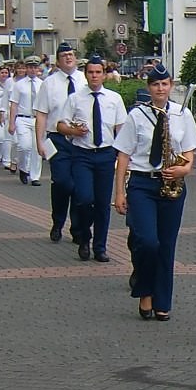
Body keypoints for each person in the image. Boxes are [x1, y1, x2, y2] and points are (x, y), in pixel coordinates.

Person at [113, 65, 196, 321]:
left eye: (164, 84)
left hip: (172, 182)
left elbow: (189, 150)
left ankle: (162, 301)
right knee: (147, 242)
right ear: (149, 87)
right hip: (142, 183)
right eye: (155, 84)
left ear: (170, 86)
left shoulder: (182, 114)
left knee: (166, 245)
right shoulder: (137, 115)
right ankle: (145, 291)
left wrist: (185, 169)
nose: (160, 89)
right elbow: (123, 155)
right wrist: (119, 193)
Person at [60, 55, 127, 263]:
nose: (94, 76)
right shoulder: (75, 98)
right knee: (84, 198)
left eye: (98, 72)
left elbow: (121, 129)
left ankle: (100, 247)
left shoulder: (114, 99)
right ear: (86, 74)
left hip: (106, 154)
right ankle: (84, 236)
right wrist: (73, 131)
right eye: (90, 72)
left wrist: (124, 157)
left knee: (102, 203)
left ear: (104, 75)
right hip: (82, 154)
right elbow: (60, 125)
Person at [34, 44, 86, 243]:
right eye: (64, 55)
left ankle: (77, 228)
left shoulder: (84, 80)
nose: (68, 58)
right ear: (57, 61)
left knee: (79, 186)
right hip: (57, 139)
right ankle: (58, 222)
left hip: (80, 139)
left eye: (71, 54)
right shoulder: (49, 83)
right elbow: (41, 114)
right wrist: (40, 141)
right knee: (63, 183)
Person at [8, 59, 41, 183]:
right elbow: (14, 104)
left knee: (36, 148)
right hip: (23, 118)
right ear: (26, 68)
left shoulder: (42, 84)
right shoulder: (19, 84)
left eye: (35, 67)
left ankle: (35, 176)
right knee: (24, 146)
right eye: (30, 67)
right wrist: (11, 123)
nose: (33, 70)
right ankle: (23, 168)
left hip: (38, 118)